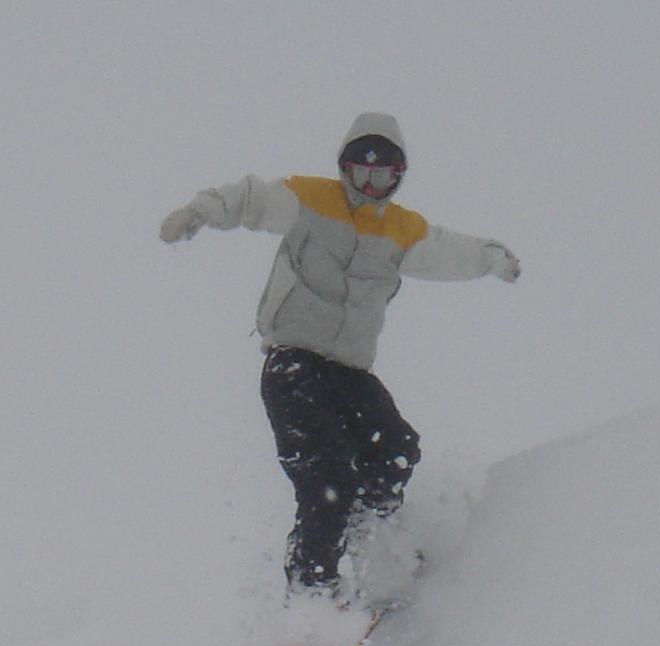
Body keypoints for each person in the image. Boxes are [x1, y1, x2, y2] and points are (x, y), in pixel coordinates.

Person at [160, 112, 520, 607]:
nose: (369, 185)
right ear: (344, 168)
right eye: (360, 172)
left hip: (350, 373)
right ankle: (310, 593)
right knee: (328, 478)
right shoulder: (311, 201)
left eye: (382, 175)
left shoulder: (400, 229)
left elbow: (447, 251)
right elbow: (249, 198)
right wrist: (199, 211)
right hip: (294, 366)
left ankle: (370, 542)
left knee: (398, 447)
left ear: (398, 176)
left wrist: (492, 257)